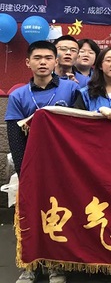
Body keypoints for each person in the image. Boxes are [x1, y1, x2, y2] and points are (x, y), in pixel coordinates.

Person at [6, 40, 79, 283]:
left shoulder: (71, 90)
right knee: (30, 215)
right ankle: (30, 266)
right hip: (32, 166)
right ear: (28, 62)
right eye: (37, 58)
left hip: (63, 166)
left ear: (55, 61)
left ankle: (56, 265)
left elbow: (81, 128)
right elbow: (15, 138)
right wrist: (23, 171)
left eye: (48, 58)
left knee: (59, 215)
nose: (43, 62)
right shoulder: (18, 96)